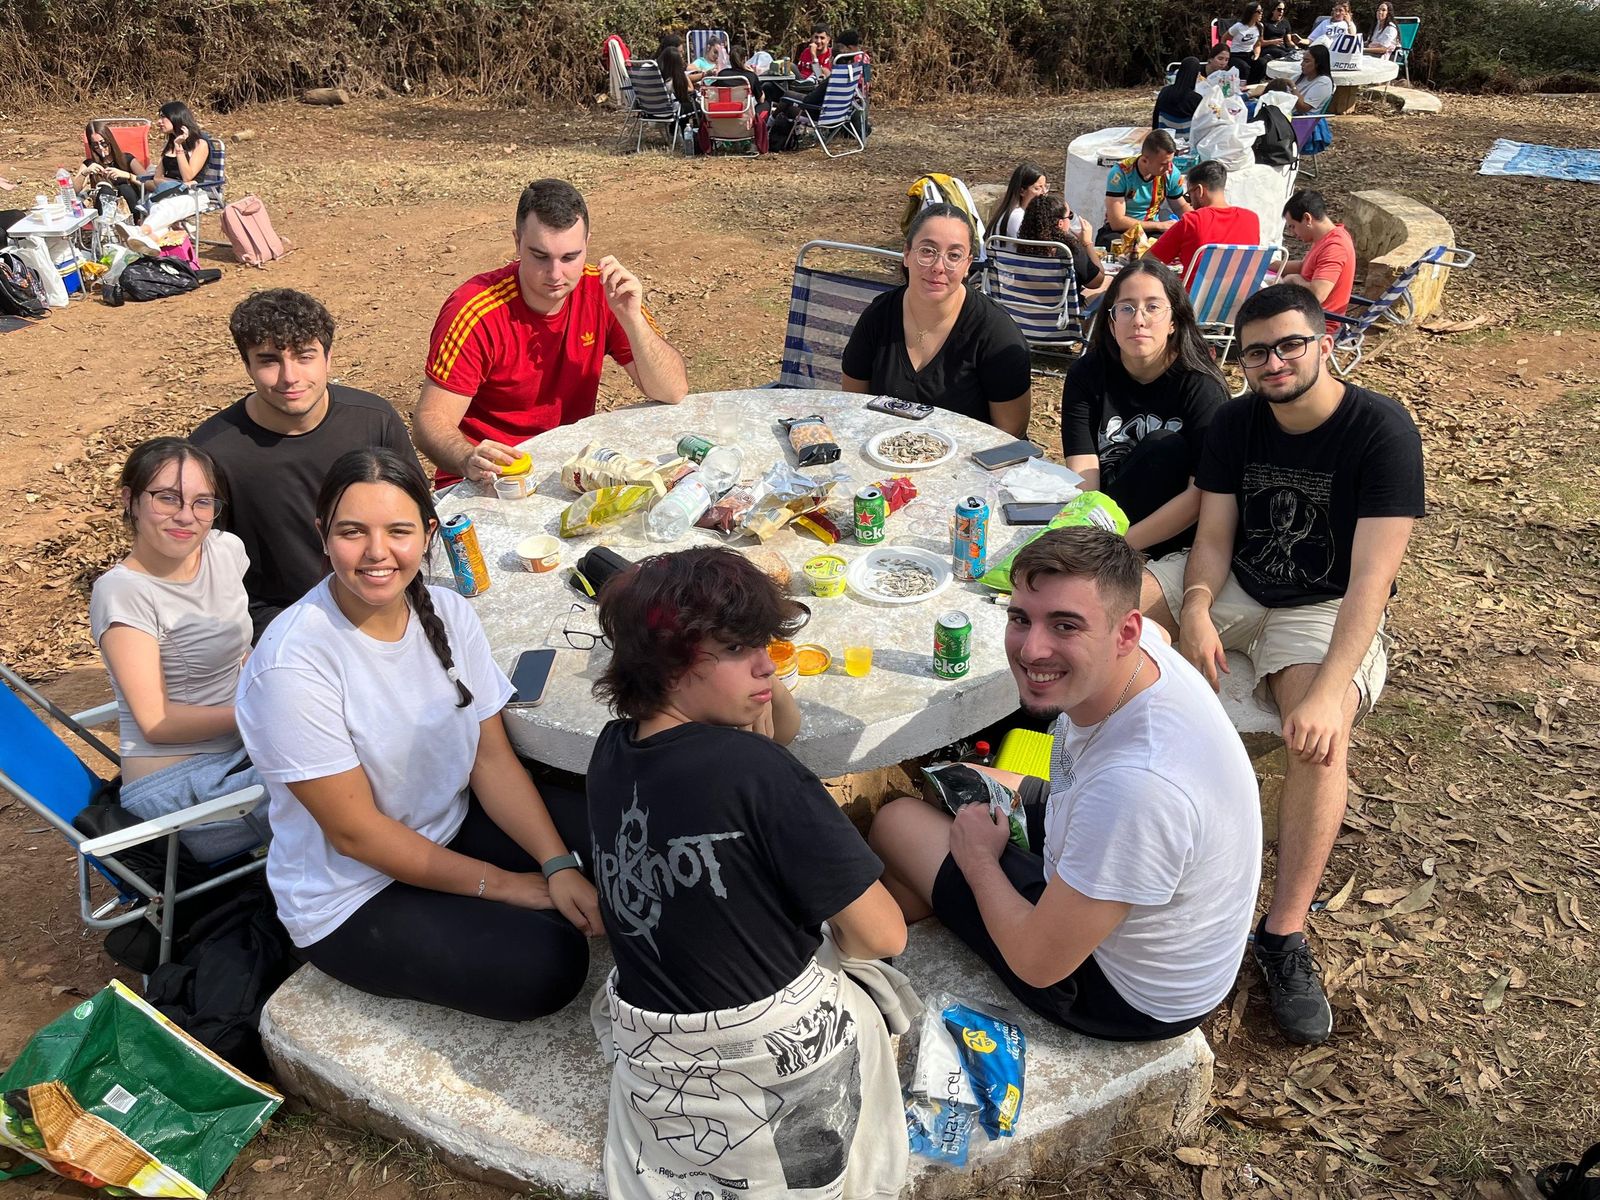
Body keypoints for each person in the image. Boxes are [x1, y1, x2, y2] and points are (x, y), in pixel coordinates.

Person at [1139, 283, 1424, 1044]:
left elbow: (1372, 580)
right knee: (1107, 607)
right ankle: (1029, 780)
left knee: (1318, 740)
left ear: (1324, 342)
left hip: (1321, 606)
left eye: (1289, 344)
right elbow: (1215, 533)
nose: (1273, 362)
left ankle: (1284, 932)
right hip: (1237, 584)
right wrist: (1195, 605)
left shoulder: (1380, 431)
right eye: (1257, 350)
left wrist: (1331, 691)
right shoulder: (1236, 421)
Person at [587, 546, 910, 1198]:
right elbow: (884, 938)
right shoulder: (757, 775)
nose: (770, 665)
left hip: (664, 1066)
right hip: (771, 1056)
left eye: (766, 644)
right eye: (739, 649)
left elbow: (778, 732)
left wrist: (747, 672)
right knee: (875, 943)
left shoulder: (610, 754)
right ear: (672, 663)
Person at [235, 447, 600, 1020]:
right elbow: (357, 835)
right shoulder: (292, 667)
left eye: (399, 531)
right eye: (353, 532)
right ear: (322, 535)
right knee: (548, 963)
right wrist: (506, 885)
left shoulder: (450, 613)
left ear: (429, 533)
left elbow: (492, 762)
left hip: (448, 825)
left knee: (623, 840)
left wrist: (555, 864)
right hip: (354, 892)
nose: (378, 553)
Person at [870, 527, 1262, 1040]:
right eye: (1020, 619)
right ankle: (925, 899)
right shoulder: (1149, 654)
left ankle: (911, 914)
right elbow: (1164, 636)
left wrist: (980, 861)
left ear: (1125, 633)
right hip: (1105, 850)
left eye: (1064, 626)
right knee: (950, 785)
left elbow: (1038, 963)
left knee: (896, 823)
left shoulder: (1135, 790)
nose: (1032, 650)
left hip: (1120, 994)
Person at [414, 179, 687, 488]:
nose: (556, 275)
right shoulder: (475, 310)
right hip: (489, 479)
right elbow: (429, 420)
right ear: (517, 243)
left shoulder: (604, 291)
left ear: (587, 243)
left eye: (570, 257)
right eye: (540, 257)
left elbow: (672, 390)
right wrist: (467, 458)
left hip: (567, 471)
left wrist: (633, 320)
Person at [191, 289, 415, 642]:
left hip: (385, 594)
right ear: (246, 365)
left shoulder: (374, 420)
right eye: (268, 360)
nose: (289, 377)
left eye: (304, 356)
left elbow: (413, 519)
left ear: (328, 358)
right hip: (281, 622)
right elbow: (199, 571)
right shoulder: (210, 454)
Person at [89, 438, 264, 864]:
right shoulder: (124, 592)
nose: (187, 516)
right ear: (130, 500)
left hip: (245, 750)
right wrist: (264, 710)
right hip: (181, 791)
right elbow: (157, 722)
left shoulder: (225, 550)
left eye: (202, 502)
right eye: (167, 498)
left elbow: (239, 649)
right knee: (344, 776)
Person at [1060, 260, 1229, 555]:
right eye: (1126, 308)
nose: (1138, 319)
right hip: (1106, 518)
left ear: (1174, 320)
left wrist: (1120, 546)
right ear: (1112, 323)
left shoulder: (1202, 388)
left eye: (1153, 307)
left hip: (1169, 534)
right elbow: (1083, 472)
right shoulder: (1087, 374)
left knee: (1165, 446)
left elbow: (1198, 495)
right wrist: (1085, 534)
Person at [840, 204, 1032, 435]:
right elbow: (852, 405)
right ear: (907, 254)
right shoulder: (878, 316)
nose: (938, 267)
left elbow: (1009, 434)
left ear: (967, 265)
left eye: (954, 255)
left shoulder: (996, 334)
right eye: (928, 251)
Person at [1144, 159, 1263, 276]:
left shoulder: (1192, 221)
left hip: (1193, 295)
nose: (1190, 203)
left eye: (1189, 196)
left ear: (1199, 191)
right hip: (1241, 294)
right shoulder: (1252, 219)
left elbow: (1147, 261)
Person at [1279, 189, 1356, 330]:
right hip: (1305, 314)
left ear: (1307, 219)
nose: (1292, 233)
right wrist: (1266, 264)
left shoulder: (1335, 247)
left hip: (1317, 324)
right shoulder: (1324, 238)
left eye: (1293, 226)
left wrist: (1294, 279)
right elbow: (1305, 267)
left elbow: (1318, 293)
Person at [1099, 129, 1190, 246]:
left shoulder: (1171, 173)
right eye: (1163, 164)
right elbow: (1117, 221)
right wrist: (1160, 225)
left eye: (1171, 162)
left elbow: (1180, 206)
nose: (1169, 168)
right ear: (1144, 160)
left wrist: (1196, 223)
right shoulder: (1121, 173)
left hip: (1152, 230)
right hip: (1121, 231)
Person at [1018, 194, 1107, 299]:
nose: (1070, 220)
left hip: (1026, 309)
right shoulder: (1067, 250)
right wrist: (1087, 243)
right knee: (1108, 281)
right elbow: (1097, 282)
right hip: (1063, 312)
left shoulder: (1022, 246)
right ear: (1060, 223)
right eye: (1069, 216)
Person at [77, 120, 146, 215]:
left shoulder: (127, 159)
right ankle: (107, 228)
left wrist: (127, 175)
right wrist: (85, 173)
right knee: (105, 190)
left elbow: (148, 182)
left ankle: (134, 225)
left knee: (124, 188)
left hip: (130, 207)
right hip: (104, 211)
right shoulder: (90, 164)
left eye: (103, 143)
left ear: (110, 141)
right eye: (95, 145)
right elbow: (73, 190)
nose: (100, 148)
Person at [151, 102, 212, 195]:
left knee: (156, 207)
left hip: (192, 195)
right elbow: (157, 178)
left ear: (176, 117)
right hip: (168, 192)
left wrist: (178, 147)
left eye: (163, 116)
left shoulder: (200, 144)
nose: (158, 122)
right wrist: (179, 185)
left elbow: (187, 177)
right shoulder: (170, 144)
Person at [989, 162, 1050, 241]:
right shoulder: (1017, 217)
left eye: (1045, 187)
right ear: (1022, 191)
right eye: (1038, 188)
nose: (1044, 192)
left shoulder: (1015, 213)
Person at [1152, 57, 1204, 137]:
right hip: (1186, 140)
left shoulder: (1165, 91)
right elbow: (1202, 125)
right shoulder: (1196, 99)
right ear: (1195, 75)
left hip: (1164, 138)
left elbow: (1156, 116)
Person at [1228, 3, 1266, 81]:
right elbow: (1224, 38)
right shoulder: (1238, 27)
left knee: (1262, 63)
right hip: (1236, 55)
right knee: (1244, 67)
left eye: (1262, 11)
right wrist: (1226, 55)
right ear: (1251, 13)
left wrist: (1256, 55)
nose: (1261, 13)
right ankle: (1243, 87)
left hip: (1249, 54)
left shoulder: (1260, 26)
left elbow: (1258, 44)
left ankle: (1253, 84)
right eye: (1258, 11)